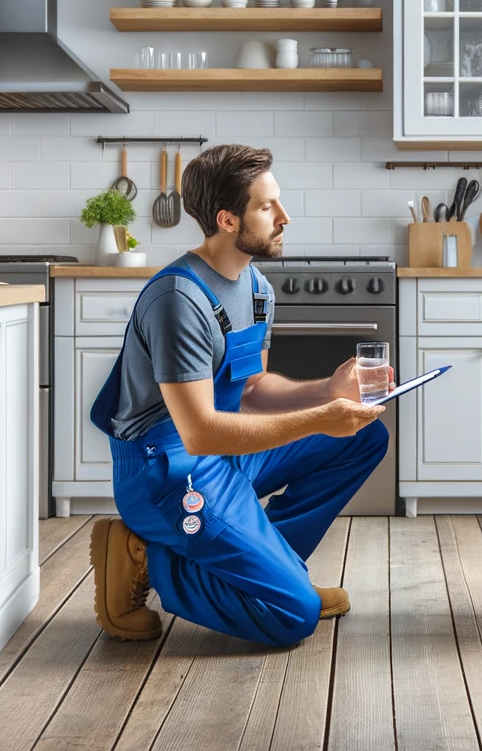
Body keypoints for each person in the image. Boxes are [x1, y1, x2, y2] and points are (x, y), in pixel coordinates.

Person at [87, 143, 390, 647]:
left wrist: (325, 391)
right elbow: (201, 431)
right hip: (167, 470)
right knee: (295, 617)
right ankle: (146, 554)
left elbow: (250, 388)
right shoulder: (178, 300)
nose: (285, 217)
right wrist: (318, 418)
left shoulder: (255, 288)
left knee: (362, 438)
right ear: (227, 220)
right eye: (267, 206)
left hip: (225, 453)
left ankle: (273, 566)